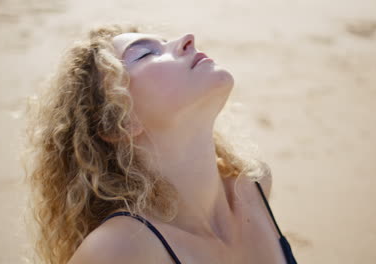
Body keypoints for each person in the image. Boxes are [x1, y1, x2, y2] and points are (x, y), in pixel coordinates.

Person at [24, 23, 297, 264]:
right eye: (144, 53)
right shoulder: (119, 250)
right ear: (117, 122)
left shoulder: (254, 185)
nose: (187, 38)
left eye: (163, 42)